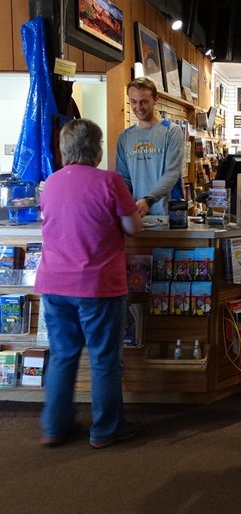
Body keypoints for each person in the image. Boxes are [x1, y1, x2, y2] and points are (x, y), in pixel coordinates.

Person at [34, 118, 143, 449]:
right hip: (97, 284)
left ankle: (54, 427)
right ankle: (106, 428)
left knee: (63, 355)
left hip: (53, 284)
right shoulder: (110, 181)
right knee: (104, 358)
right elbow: (133, 228)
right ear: (96, 151)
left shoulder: (50, 182)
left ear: (65, 150)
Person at [116, 77, 184, 217]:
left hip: (167, 216)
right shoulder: (125, 136)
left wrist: (149, 200)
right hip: (137, 217)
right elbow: (123, 179)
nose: (138, 108)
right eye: (133, 102)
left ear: (155, 99)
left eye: (144, 102)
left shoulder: (172, 131)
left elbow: (172, 173)